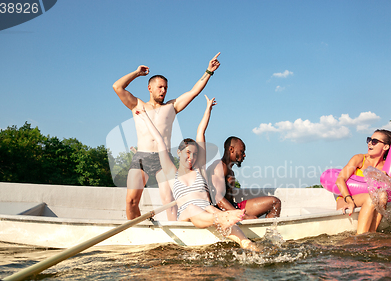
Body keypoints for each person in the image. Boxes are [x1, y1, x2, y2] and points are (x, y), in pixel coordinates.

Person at [135, 96, 258, 250]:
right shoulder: (171, 171)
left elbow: (201, 132)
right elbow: (159, 140)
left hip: (208, 210)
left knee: (215, 212)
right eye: (187, 153)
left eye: (194, 154)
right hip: (187, 214)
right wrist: (146, 117)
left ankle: (247, 243)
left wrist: (208, 109)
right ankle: (222, 218)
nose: (191, 157)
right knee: (195, 209)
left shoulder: (199, 169)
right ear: (179, 153)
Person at [112, 53, 221, 221]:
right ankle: (137, 229)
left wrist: (209, 71)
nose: (163, 90)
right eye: (160, 87)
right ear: (150, 88)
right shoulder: (137, 105)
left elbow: (194, 92)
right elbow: (117, 87)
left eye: (166, 88)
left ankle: (175, 232)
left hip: (163, 160)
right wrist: (136, 73)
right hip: (141, 157)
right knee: (131, 201)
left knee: (170, 201)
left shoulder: (172, 106)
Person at [336, 129, 391, 234]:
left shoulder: (387, 167)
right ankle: (360, 237)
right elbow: (340, 179)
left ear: (386, 147)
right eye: (369, 140)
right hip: (347, 199)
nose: (370, 143)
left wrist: (388, 178)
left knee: (383, 195)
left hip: (371, 200)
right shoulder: (360, 159)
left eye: (374, 141)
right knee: (372, 198)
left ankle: (372, 232)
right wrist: (349, 200)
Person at [207, 137, 281, 219]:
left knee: (275, 202)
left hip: (233, 207)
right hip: (222, 212)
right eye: (242, 151)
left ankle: (269, 231)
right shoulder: (219, 167)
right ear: (231, 149)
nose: (244, 155)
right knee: (274, 203)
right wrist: (242, 215)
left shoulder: (230, 171)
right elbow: (217, 198)